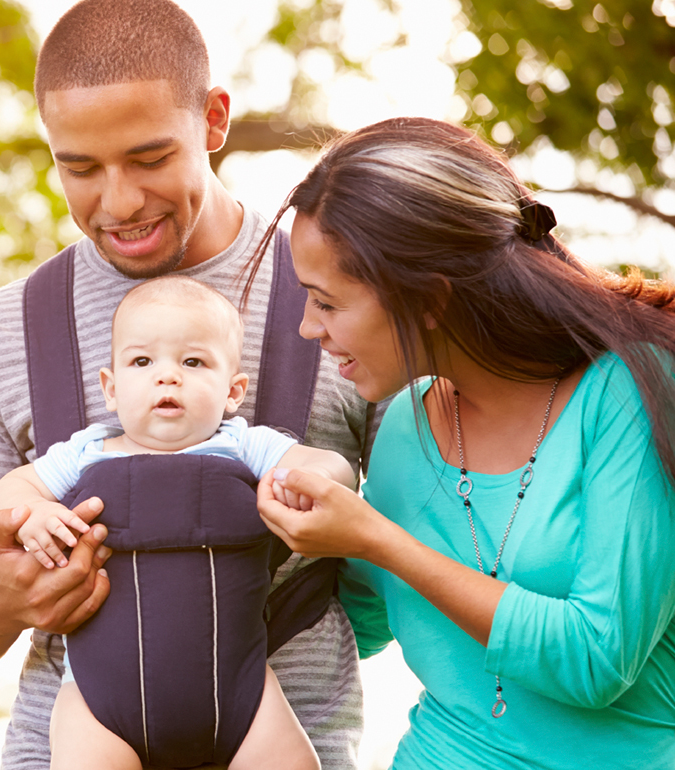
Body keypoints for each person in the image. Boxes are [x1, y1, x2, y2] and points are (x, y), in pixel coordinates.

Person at [0, 2, 382, 768]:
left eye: (149, 156)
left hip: (290, 736)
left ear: (215, 121)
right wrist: (5, 601)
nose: (120, 201)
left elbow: (417, 546)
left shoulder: (341, 297)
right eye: (81, 167)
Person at [249, 116, 675, 769]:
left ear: (428, 300)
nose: (308, 328)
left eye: (327, 302)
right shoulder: (403, 428)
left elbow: (597, 659)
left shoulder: (630, 389)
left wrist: (377, 539)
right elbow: (354, 626)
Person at [0, 276, 355, 770]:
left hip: (243, 698)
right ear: (111, 389)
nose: (168, 377)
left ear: (233, 391)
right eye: (143, 362)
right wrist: (35, 512)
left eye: (193, 362)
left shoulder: (245, 444)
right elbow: (12, 489)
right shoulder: (85, 452)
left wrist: (306, 480)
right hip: (99, 704)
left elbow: (331, 466)